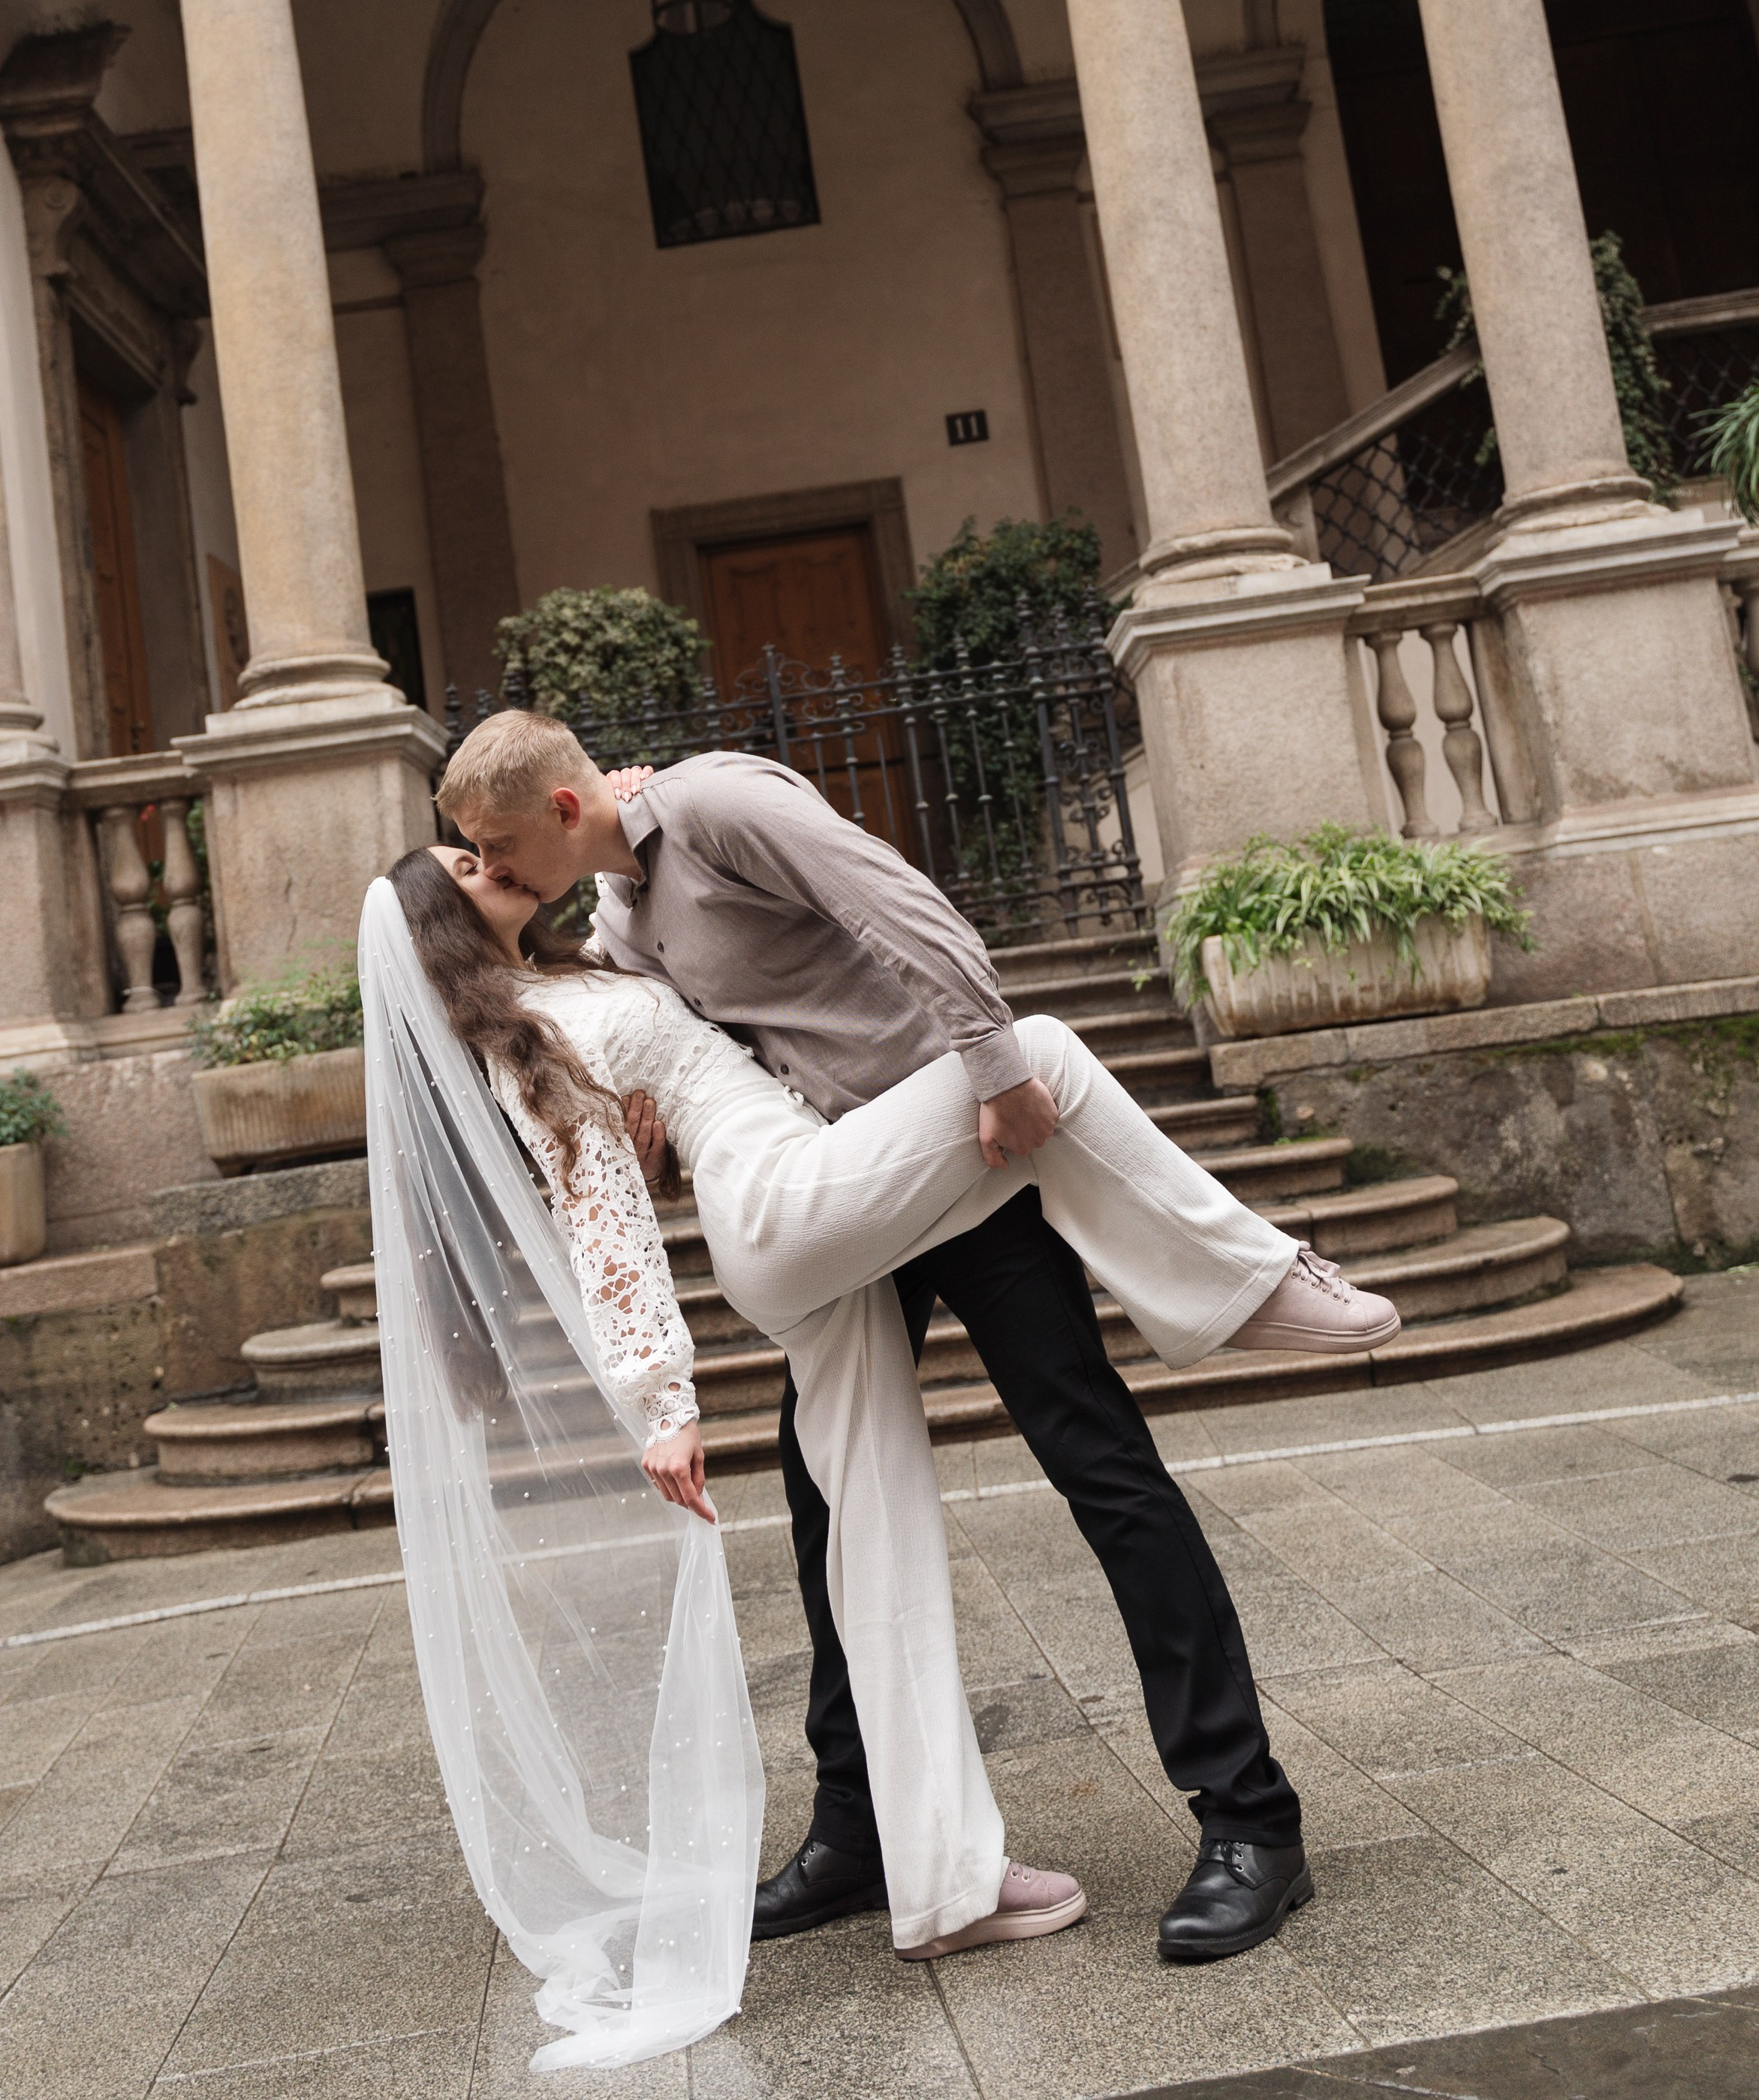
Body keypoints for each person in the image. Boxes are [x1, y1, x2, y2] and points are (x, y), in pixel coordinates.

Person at [433, 713, 1399, 1963]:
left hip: (962, 1161)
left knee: (1099, 1462)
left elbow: (903, 906)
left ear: (561, 810)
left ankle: (1252, 1821)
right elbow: (669, 1041)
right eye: (473, 862)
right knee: (834, 1509)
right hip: (835, 1188)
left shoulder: (722, 806)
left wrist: (995, 1070)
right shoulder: (618, 915)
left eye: (500, 848)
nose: (497, 871)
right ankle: (861, 1833)